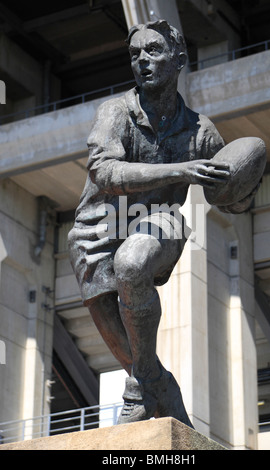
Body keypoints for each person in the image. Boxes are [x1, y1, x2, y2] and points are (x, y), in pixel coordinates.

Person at [68, 20, 233, 428]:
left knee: (133, 262)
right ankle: (158, 385)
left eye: (153, 52)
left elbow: (230, 197)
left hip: (159, 223)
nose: (142, 60)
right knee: (129, 349)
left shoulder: (200, 130)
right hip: (98, 228)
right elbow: (104, 172)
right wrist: (182, 169)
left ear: (178, 60)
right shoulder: (115, 112)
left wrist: (240, 187)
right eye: (135, 54)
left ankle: (140, 391)